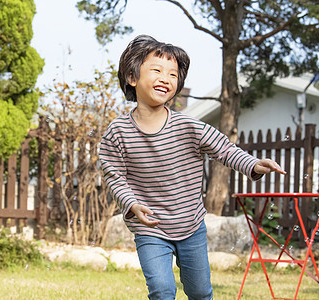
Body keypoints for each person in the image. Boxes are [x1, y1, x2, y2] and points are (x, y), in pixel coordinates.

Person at [98, 35, 286, 300]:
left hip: (190, 223)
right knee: (162, 290)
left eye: (173, 74)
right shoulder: (118, 131)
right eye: (156, 70)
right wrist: (131, 204)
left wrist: (253, 164)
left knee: (199, 292)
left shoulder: (189, 127)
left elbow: (225, 149)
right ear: (132, 77)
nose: (166, 78)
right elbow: (114, 175)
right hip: (150, 227)